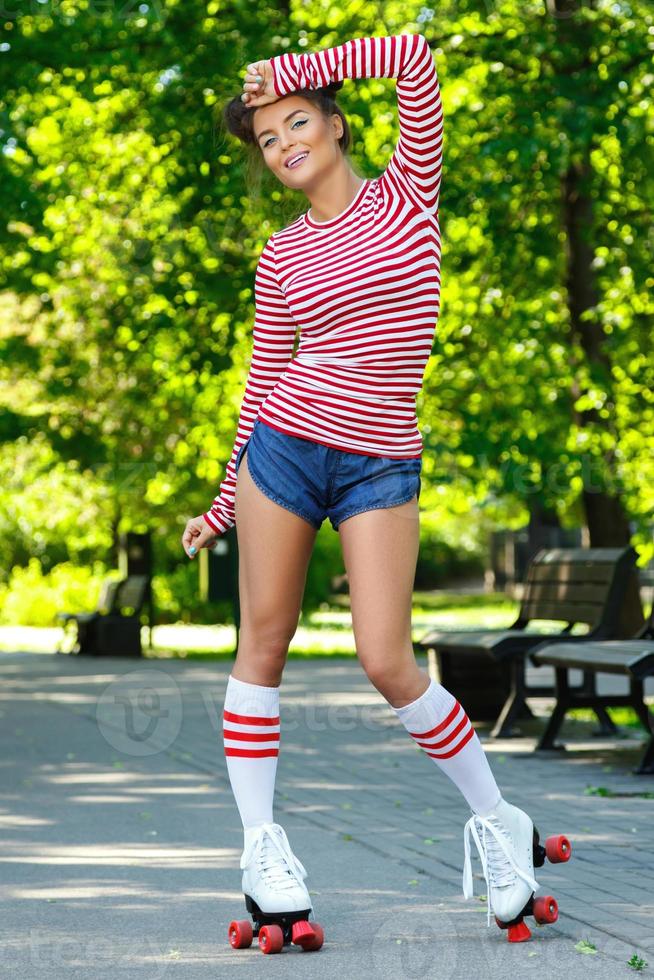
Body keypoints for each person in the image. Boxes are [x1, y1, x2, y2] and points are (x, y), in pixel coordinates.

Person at [181, 33, 540, 935]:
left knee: (386, 660)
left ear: (337, 125)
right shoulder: (280, 256)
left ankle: (499, 822)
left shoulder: (407, 196)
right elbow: (263, 381)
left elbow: (415, 55)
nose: (284, 142)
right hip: (284, 451)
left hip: (380, 462)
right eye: (267, 139)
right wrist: (226, 499)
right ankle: (263, 848)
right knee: (264, 642)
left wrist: (290, 72)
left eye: (297, 122)